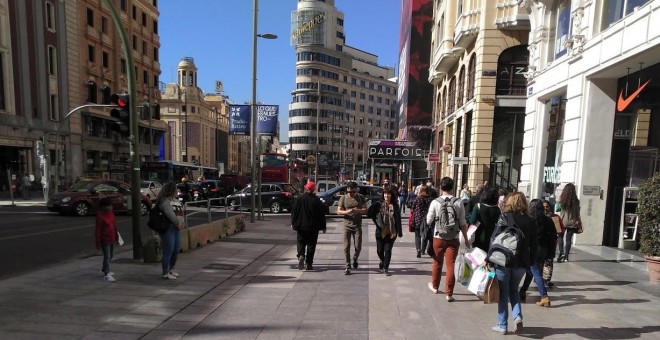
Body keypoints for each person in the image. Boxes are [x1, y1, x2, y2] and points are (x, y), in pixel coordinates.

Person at [490, 192, 538, 335]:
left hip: (504, 260)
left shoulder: (505, 217)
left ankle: (502, 325)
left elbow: (494, 237)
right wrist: (531, 262)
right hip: (522, 262)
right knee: (514, 290)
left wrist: (489, 257)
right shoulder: (531, 221)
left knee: (503, 293)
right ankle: (517, 317)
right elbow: (534, 245)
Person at [425, 177, 470, 302]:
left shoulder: (435, 202)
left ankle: (434, 286)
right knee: (451, 265)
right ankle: (449, 294)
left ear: (440, 187)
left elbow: (429, 220)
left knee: (437, 262)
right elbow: (462, 223)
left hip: (438, 237)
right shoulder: (458, 202)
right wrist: (466, 239)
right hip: (453, 237)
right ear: (452, 187)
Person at [519, 199, 557, 307]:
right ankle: (523, 290)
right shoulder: (548, 220)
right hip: (544, 249)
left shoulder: (529, 220)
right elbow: (553, 236)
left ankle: (544, 296)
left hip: (533, 249)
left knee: (535, 271)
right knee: (531, 271)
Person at [291, 181, 327, 270]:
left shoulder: (300, 199)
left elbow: (294, 212)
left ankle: (301, 255)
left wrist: (293, 223)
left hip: (301, 225)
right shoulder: (316, 200)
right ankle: (309, 264)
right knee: (311, 245)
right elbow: (321, 214)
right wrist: (323, 226)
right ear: (314, 189)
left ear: (306, 188)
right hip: (313, 227)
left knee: (300, 242)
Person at [368, 186, 403, 275]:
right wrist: (376, 223)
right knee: (379, 250)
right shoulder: (379, 204)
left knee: (387, 250)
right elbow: (370, 214)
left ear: (391, 195)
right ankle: (382, 261)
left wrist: (400, 231)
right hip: (380, 231)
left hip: (392, 231)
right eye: (385, 194)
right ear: (383, 195)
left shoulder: (395, 205)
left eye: (389, 194)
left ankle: (386, 267)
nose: (387, 196)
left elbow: (398, 218)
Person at [337, 181, 368, 275]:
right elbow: (338, 211)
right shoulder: (343, 198)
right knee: (346, 247)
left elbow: (366, 210)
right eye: (350, 192)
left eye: (353, 192)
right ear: (347, 190)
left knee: (358, 246)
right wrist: (347, 211)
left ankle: (355, 257)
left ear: (356, 190)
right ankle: (347, 266)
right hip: (346, 225)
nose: (352, 194)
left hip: (357, 225)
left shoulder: (360, 197)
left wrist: (358, 210)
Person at [155, 182, 185, 279]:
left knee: (176, 250)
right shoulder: (164, 201)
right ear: (171, 190)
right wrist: (177, 223)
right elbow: (169, 214)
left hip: (177, 228)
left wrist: (181, 223)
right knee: (169, 249)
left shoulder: (175, 200)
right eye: (176, 189)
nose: (177, 191)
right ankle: (165, 272)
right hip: (168, 228)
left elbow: (180, 213)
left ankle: (171, 269)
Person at [467, 187, 501, 252]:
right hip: (491, 236)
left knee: (478, 257)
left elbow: (472, 221)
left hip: (478, 236)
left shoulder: (478, 206)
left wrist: (468, 216)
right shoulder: (497, 209)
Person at [95, 198, 118, 282]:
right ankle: (106, 274)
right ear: (103, 207)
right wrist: (97, 242)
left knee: (111, 255)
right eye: (108, 206)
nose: (110, 207)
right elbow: (98, 230)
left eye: (111, 205)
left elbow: (114, 226)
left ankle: (104, 268)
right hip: (104, 239)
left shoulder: (112, 214)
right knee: (107, 256)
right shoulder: (100, 216)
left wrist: (117, 236)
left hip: (111, 237)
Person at [557, 183, 580, 263]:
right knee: (568, 239)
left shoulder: (562, 200)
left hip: (562, 221)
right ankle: (566, 256)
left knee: (560, 237)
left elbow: (558, 209)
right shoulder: (576, 201)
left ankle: (561, 253)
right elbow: (577, 212)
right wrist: (578, 220)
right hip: (572, 221)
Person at [542, 199, 563, 287]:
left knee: (549, 262)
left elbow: (560, 230)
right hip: (541, 243)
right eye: (544, 207)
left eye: (547, 207)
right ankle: (539, 278)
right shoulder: (538, 217)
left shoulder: (555, 217)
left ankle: (546, 280)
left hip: (551, 243)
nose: (546, 209)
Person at [409, 185, 433, 258]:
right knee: (426, 235)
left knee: (417, 235)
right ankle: (423, 249)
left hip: (417, 219)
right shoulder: (430, 199)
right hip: (427, 219)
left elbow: (412, 208)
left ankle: (418, 249)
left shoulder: (418, 199)